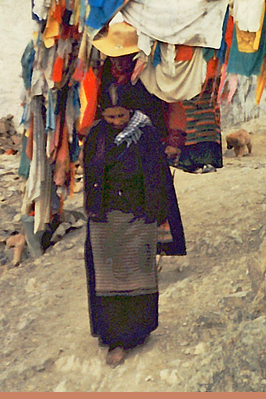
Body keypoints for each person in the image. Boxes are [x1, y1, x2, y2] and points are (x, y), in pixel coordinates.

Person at [82, 81, 186, 367]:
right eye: (110, 117)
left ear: (130, 111)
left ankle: (137, 332)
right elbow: (89, 174)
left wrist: (158, 215)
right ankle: (114, 338)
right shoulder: (95, 136)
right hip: (105, 219)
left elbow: (159, 179)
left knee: (137, 274)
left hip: (138, 216)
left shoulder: (147, 134)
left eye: (121, 117)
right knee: (107, 278)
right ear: (103, 114)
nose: (116, 122)